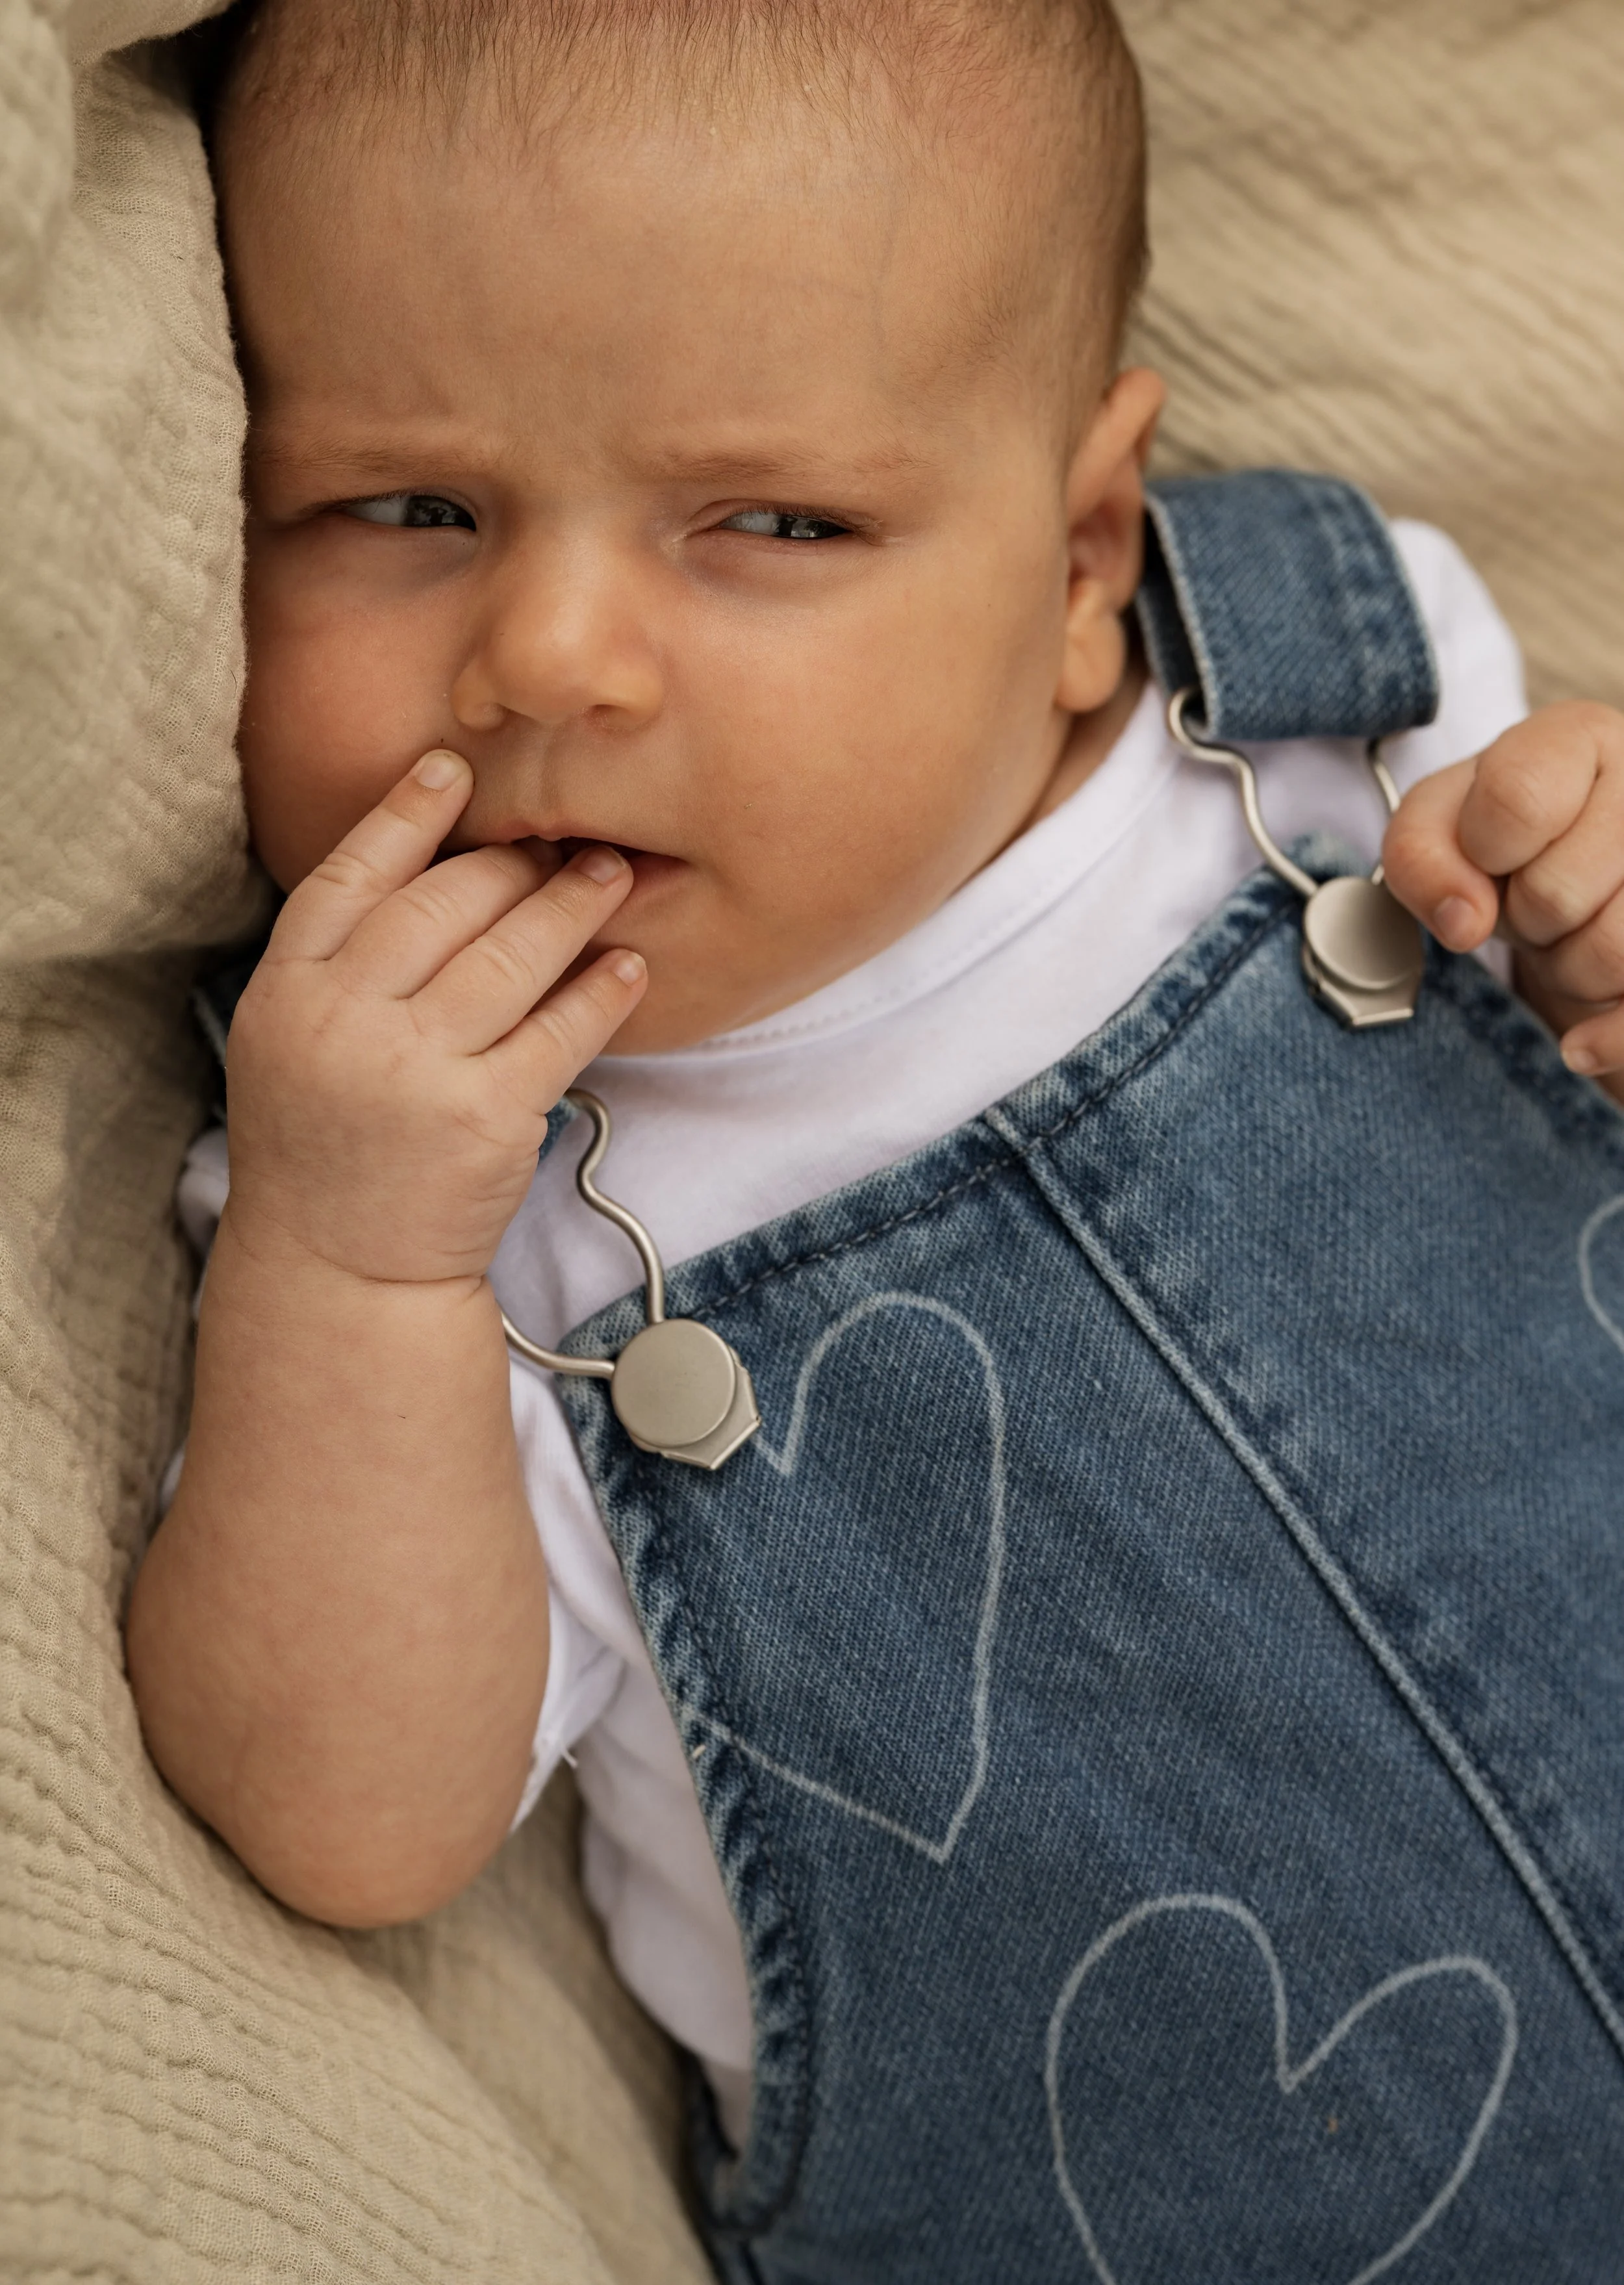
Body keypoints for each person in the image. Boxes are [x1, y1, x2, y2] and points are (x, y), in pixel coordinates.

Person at [129, 2, 1624, 2274]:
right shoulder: (439, 1208)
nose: (550, 655)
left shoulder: (1345, 726)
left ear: (1075, 561)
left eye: (774, 520)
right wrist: (348, 1257)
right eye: (402, 507)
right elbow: (346, 1817)